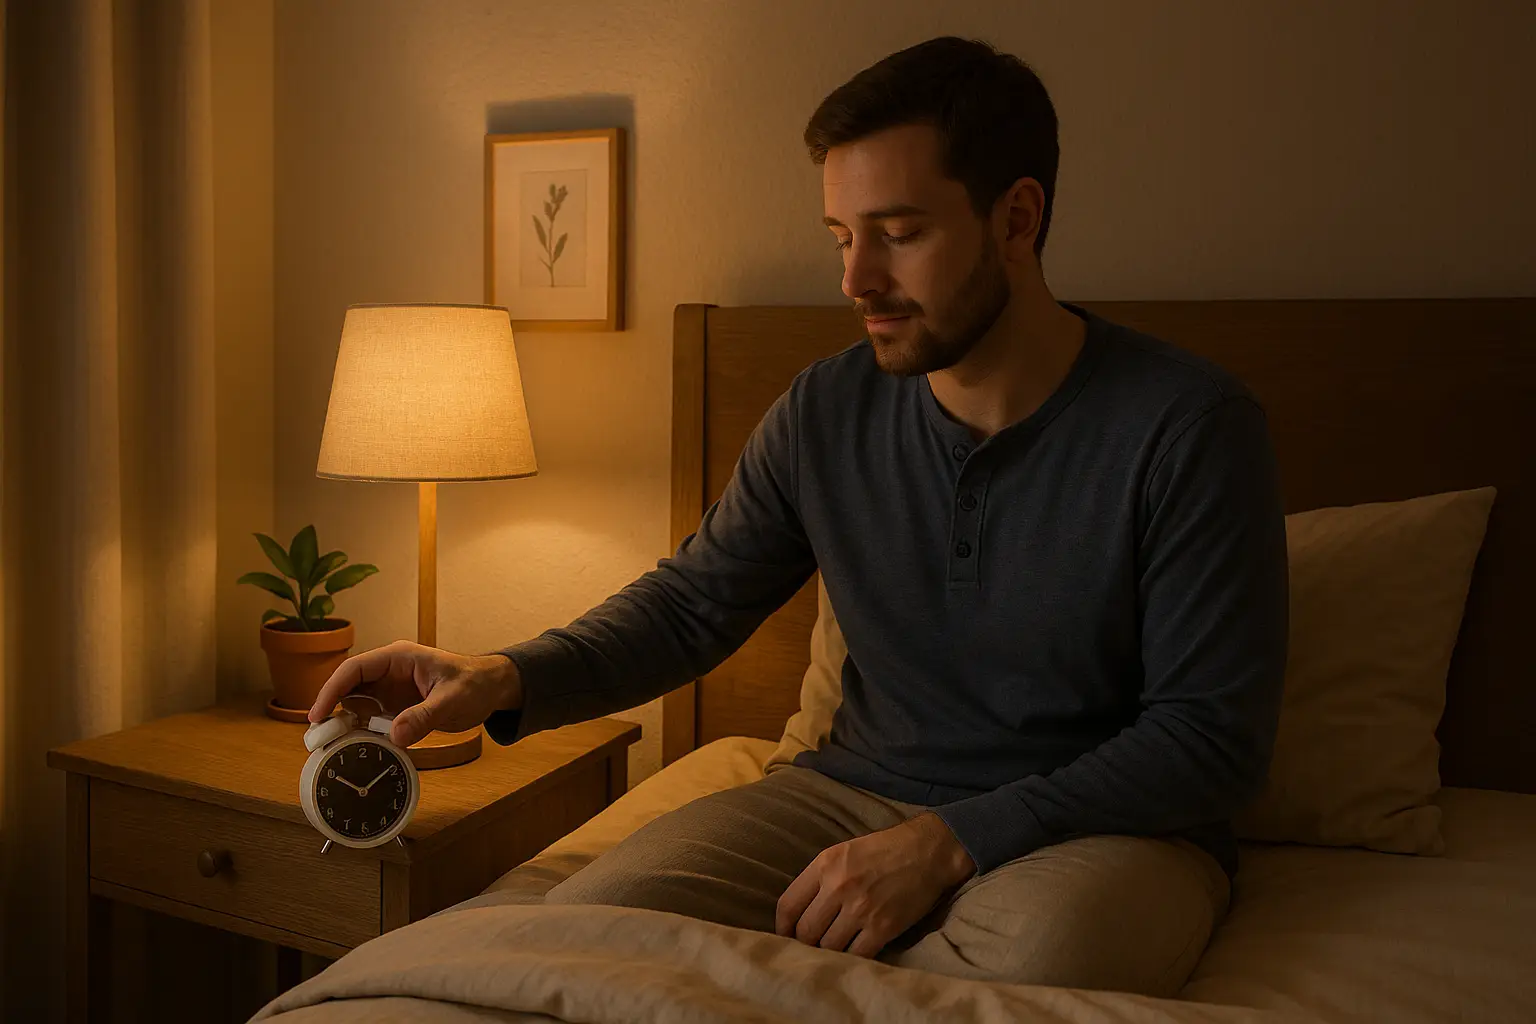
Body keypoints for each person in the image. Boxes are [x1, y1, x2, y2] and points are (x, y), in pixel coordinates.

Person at [310, 35, 1288, 996]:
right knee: (594, 923)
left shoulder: (1188, 427)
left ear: (1016, 220)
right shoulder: (825, 411)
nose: (856, 280)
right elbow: (694, 605)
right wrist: (504, 674)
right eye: (841, 237)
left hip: (1099, 832)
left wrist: (953, 843)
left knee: (1044, 967)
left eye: (898, 234)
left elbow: (1209, 739)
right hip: (846, 796)